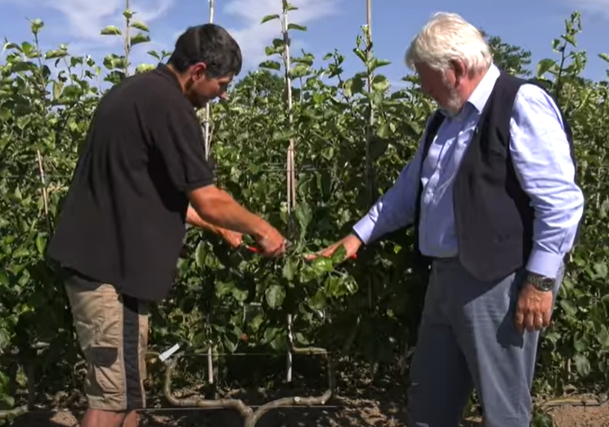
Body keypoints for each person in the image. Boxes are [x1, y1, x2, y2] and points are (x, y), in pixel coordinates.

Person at [308, 12, 584, 427]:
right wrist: (356, 238)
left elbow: (560, 202)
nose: (422, 88)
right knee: (430, 402)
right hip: (445, 277)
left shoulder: (519, 102)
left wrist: (540, 281)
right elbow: (408, 193)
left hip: (499, 281)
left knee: (503, 409)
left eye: (425, 77)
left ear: (455, 70)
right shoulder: (443, 121)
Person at [47, 23, 287, 427]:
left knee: (128, 393)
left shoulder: (137, 92)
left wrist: (221, 228)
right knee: (111, 400)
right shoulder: (170, 107)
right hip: (110, 274)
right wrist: (263, 229)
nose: (222, 95)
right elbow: (207, 199)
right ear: (197, 71)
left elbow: (147, 192)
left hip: (106, 268)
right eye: (221, 84)